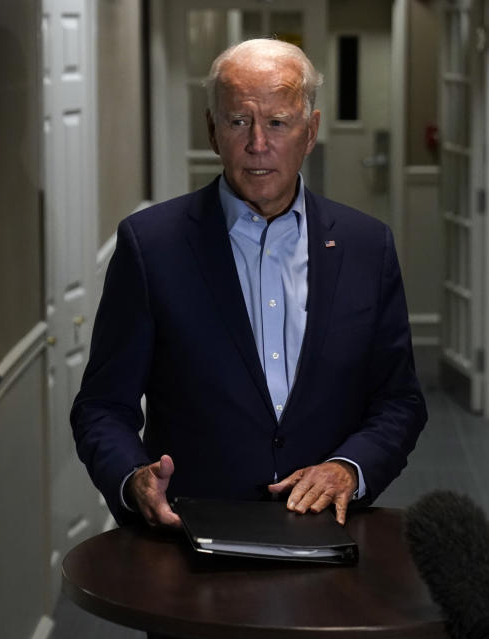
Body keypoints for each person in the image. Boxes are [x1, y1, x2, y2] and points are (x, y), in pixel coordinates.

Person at [70, 38, 426, 530]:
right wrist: (132, 479)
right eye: (239, 122)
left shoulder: (368, 247)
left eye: (278, 122)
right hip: (192, 535)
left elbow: (399, 400)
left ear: (311, 131)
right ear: (213, 131)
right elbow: (103, 406)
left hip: (326, 534)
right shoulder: (151, 246)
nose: (258, 144)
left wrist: (350, 469)